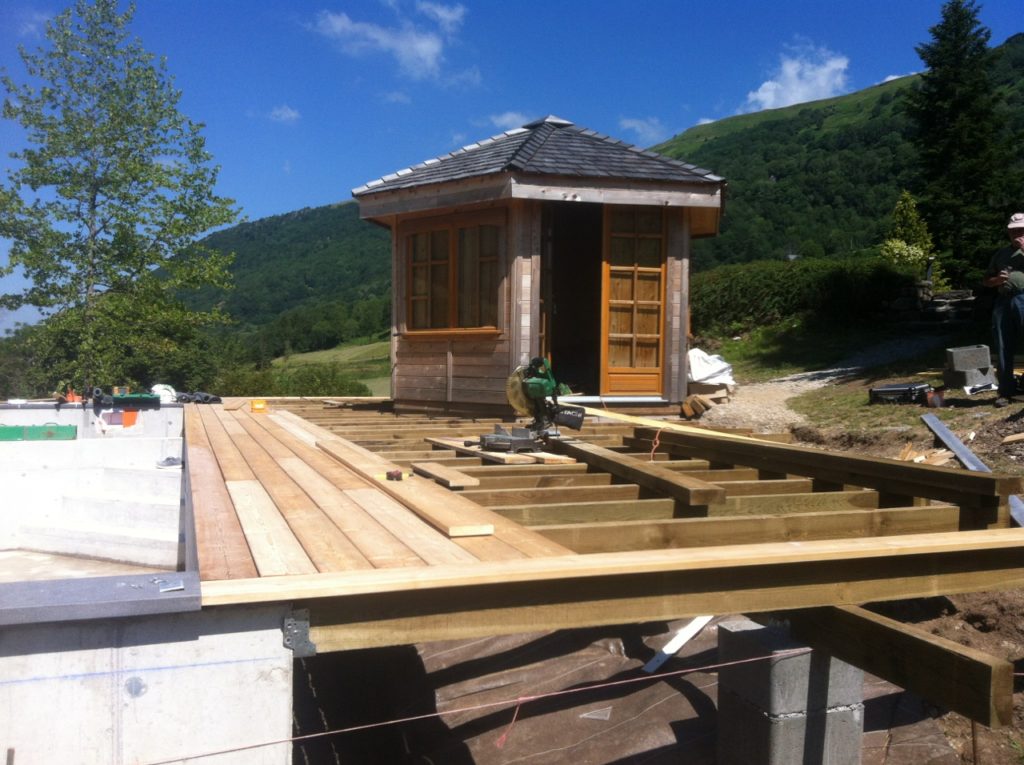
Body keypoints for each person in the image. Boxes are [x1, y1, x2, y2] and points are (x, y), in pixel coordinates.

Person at [983, 212, 1024, 407]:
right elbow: (986, 280)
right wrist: (997, 280)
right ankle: (1006, 391)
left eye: (1021, 230)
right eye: (1013, 231)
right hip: (1004, 301)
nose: (1017, 234)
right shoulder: (1001, 254)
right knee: (1003, 344)